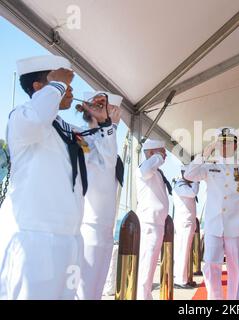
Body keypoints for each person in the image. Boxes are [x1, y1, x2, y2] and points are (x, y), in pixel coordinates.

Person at [0, 55, 115, 299]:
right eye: (63, 84)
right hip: (34, 239)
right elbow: (37, 119)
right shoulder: (21, 118)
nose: (70, 89)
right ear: (39, 88)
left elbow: (105, 160)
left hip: (70, 239)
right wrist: (57, 86)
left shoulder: (69, 131)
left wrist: (104, 123)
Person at [184, 127, 239, 300]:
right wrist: (206, 151)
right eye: (222, 142)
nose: (225, 146)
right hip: (213, 225)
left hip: (237, 225)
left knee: (235, 268)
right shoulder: (209, 167)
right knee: (211, 265)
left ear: (235, 145)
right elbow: (189, 174)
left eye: (229, 142)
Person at [76, 91, 123, 300]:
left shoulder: (106, 141)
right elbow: (107, 158)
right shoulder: (81, 138)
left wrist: (108, 127)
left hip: (106, 229)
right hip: (88, 227)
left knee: (96, 293)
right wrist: (106, 126)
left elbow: (109, 154)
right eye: (100, 105)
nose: (106, 110)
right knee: (83, 293)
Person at [136, 139, 172, 299]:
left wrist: (157, 155)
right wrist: (157, 156)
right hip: (149, 222)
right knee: (146, 267)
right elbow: (145, 170)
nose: (165, 155)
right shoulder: (145, 169)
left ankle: (145, 296)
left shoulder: (156, 171)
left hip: (158, 222)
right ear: (150, 153)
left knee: (149, 267)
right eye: (162, 151)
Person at [173, 165, 200, 289]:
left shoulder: (185, 185)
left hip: (188, 223)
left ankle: (185, 278)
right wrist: (196, 180)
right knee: (182, 252)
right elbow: (193, 193)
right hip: (184, 223)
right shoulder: (180, 185)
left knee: (185, 251)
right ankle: (180, 280)